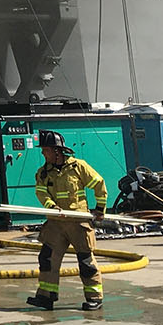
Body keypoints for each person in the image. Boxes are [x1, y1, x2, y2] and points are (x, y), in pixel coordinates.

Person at [26, 130, 107, 312]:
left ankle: (94, 297)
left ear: (57, 151)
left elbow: (99, 184)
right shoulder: (43, 173)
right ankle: (46, 296)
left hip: (78, 222)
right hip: (55, 223)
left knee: (86, 262)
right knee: (47, 259)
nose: (42, 153)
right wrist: (51, 206)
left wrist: (100, 210)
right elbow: (41, 192)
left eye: (45, 150)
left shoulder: (78, 167)